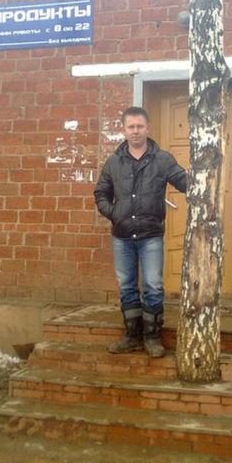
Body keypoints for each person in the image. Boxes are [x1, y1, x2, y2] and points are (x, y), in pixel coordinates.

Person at [94, 106, 187, 358]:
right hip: (122, 235)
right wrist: (114, 213)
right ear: (124, 130)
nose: (135, 131)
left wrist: (203, 177)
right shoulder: (113, 163)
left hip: (150, 235)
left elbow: (184, 182)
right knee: (126, 286)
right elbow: (101, 193)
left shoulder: (163, 160)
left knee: (153, 286)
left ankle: (152, 337)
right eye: (131, 127)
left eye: (139, 126)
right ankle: (132, 336)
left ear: (148, 128)